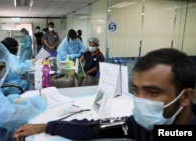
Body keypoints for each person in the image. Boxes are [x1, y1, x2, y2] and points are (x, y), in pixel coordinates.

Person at [13, 48, 196, 141]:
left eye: (153, 92)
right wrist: (45, 127)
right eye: (136, 90)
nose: (140, 100)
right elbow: (94, 127)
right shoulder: (141, 125)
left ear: (186, 97)